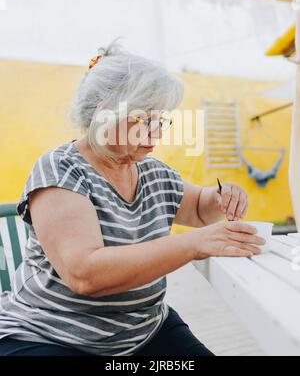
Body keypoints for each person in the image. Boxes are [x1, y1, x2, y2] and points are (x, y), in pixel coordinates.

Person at [0, 43, 264, 356]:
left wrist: (222, 198)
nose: (156, 132)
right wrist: (193, 244)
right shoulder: (61, 168)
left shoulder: (151, 171)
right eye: (144, 119)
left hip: (143, 328)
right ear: (103, 112)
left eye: (161, 120)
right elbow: (85, 274)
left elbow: (198, 209)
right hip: (52, 335)